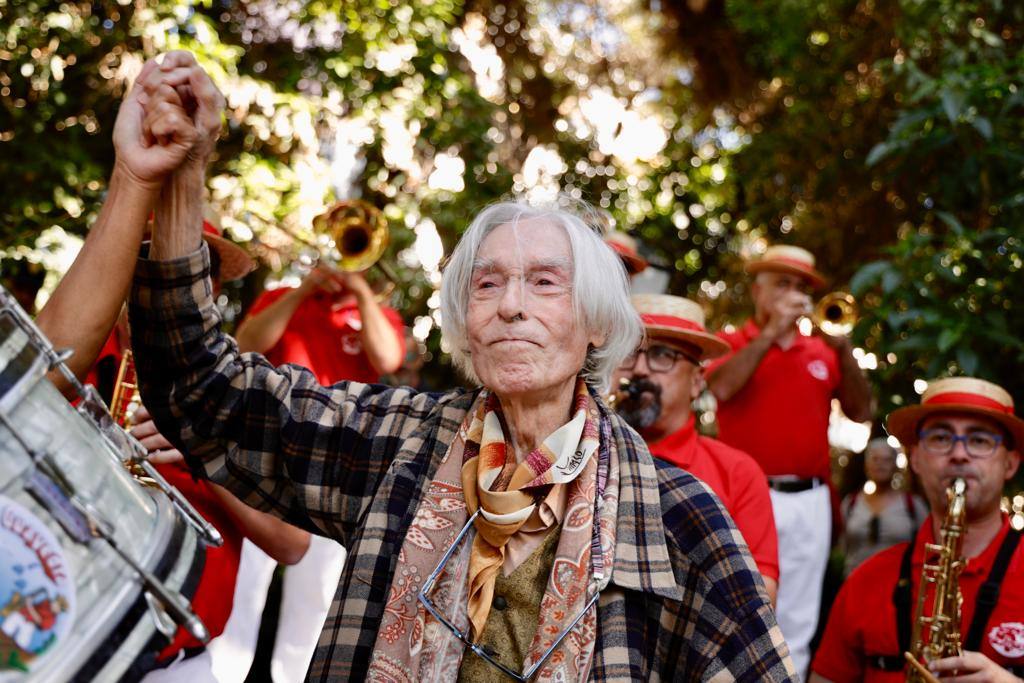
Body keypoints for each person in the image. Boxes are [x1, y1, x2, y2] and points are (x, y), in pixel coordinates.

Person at [129, 51, 797, 681]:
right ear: (465, 326)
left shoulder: (674, 514)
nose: (509, 306)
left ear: (597, 324)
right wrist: (186, 180)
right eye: (485, 284)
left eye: (543, 283)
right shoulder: (398, 442)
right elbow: (201, 388)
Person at [32, 57, 308, 674]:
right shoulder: (84, 359)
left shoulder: (236, 391)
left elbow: (291, 544)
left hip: (177, 663)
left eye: (188, 268)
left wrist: (205, 457)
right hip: (55, 637)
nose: (168, 281)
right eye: (148, 260)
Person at [232, 248, 405, 681]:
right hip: (264, 460)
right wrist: (303, 290)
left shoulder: (378, 314)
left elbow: (388, 360)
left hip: (336, 474)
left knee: (312, 607)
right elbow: (245, 345)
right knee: (241, 591)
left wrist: (361, 294)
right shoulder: (282, 295)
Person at [706, 244, 873, 676]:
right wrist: (768, 337)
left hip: (809, 499)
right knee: (731, 608)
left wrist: (845, 349)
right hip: (744, 495)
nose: (794, 294)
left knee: (798, 621)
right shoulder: (731, 342)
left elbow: (862, 412)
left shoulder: (820, 351)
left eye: (801, 286)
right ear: (758, 291)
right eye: (782, 283)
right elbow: (720, 389)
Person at [811, 377, 1024, 682]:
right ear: (916, 458)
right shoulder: (864, 581)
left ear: (1010, 463)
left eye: (980, 440)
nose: (959, 454)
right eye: (940, 438)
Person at [611, 293, 779, 604]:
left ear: (697, 381)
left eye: (662, 356)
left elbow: (761, 596)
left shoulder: (737, 473)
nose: (640, 371)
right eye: (627, 354)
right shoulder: (580, 452)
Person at [841, 438, 927, 576]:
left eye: (886, 460)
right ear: (866, 465)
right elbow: (842, 546)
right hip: (854, 583)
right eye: (875, 459)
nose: (880, 465)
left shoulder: (913, 505)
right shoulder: (851, 503)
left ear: (895, 466)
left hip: (898, 587)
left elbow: (924, 548)